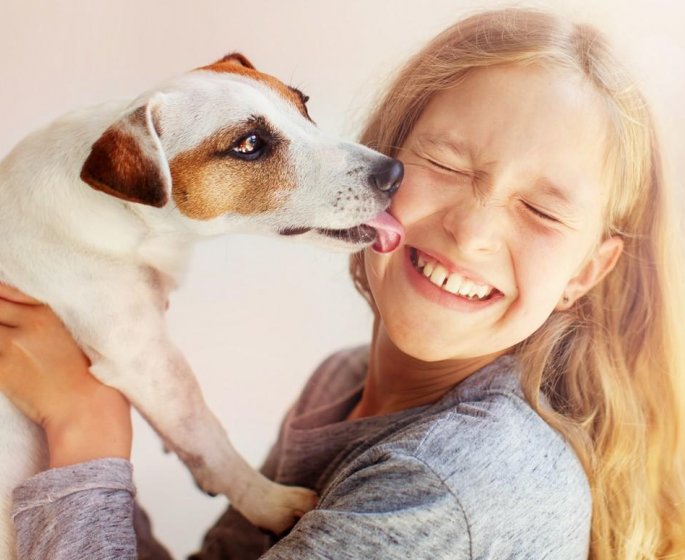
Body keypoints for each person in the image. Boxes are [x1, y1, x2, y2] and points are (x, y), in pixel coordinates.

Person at [1, 7, 684, 559]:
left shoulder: (444, 486)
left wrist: (83, 422)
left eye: (540, 210)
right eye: (444, 164)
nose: (472, 234)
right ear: (383, 157)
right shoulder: (342, 387)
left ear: (587, 271)